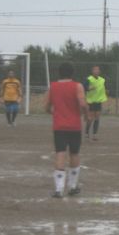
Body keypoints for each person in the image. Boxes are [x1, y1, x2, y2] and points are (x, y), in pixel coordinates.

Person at [42, 62, 87, 198]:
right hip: (74, 126)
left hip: (59, 126)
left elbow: (46, 106)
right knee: (74, 153)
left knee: (60, 153)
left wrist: (53, 112)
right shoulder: (77, 86)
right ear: (72, 73)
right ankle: (72, 186)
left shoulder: (53, 87)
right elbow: (82, 103)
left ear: (59, 73)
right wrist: (85, 113)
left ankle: (59, 189)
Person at [83, 65, 108, 141]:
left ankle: (95, 134)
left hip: (98, 101)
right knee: (90, 118)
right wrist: (89, 88)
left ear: (99, 71)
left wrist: (105, 92)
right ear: (92, 71)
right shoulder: (89, 79)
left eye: (97, 70)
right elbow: (84, 87)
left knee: (97, 117)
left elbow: (103, 88)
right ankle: (86, 132)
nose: (96, 71)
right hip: (90, 101)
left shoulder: (102, 80)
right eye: (95, 70)